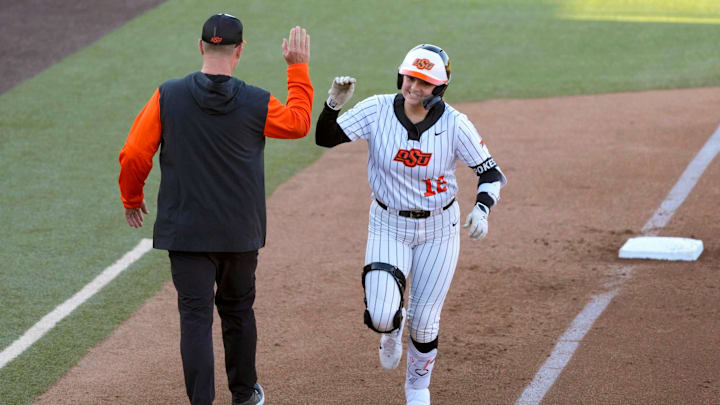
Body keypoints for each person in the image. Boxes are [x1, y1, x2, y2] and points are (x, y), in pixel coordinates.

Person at [118, 14, 312, 405]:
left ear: (201, 46)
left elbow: (135, 154)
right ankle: (244, 395)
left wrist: (132, 199)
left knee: (195, 319)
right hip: (239, 233)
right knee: (238, 311)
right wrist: (297, 68)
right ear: (240, 50)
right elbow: (298, 123)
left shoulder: (167, 95)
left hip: (186, 233)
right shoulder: (258, 102)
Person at [315, 44, 506, 404]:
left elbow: (490, 172)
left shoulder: (455, 124)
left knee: (425, 322)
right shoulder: (376, 109)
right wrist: (333, 104)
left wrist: (482, 208)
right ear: (400, 75)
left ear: (439, 88)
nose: (414, 87)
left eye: (425, 82)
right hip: (388, 224)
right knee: (383, 315)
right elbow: (326, 137)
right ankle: (391, 328)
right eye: (410, 77)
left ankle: (417, 390)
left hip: (439, 230)